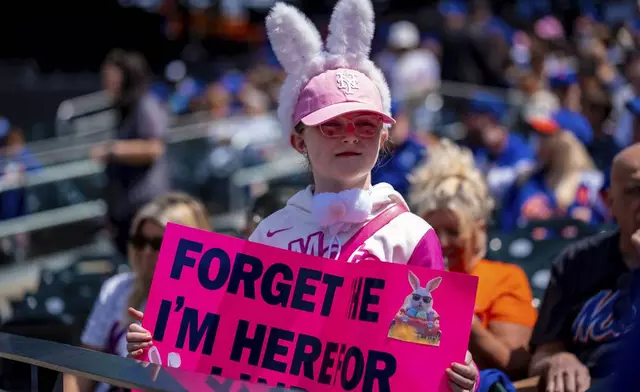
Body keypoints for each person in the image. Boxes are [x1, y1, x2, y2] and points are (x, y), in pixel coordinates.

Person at [125, 0, 479, 390]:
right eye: (330, 125)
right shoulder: (271, 234)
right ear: (298, 141)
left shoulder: (413, 236)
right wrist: (164, 343)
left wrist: (457, 375)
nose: (350, 134)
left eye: (365, 124)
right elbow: (226, 349)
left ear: (383, 136)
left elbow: (424, 359)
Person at [410, 140, 536, 379]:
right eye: (432, 231)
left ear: (478, 231)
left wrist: (453, 311)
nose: (442, 242)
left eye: (453, 232)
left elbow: (515, 363)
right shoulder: (411, 277)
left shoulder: (504, 278)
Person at [63, 192, 211, 392]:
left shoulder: (213, 305)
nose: (147, 252)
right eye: (140, 241)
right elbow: (81, 368)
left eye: (159, 243)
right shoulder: (118, 289)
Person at [528, 143, 640, 392]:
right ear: (609, 201)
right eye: (635, 191)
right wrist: (557, 359)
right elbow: (543, 353)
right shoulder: (576, 262)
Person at [90, 49, 171, 257]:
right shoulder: (123, 109)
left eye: (111, 76)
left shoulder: (145, 105)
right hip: (125, 211)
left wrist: (112, 149)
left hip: (146, 208)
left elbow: (154, 148)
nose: (106, 82)